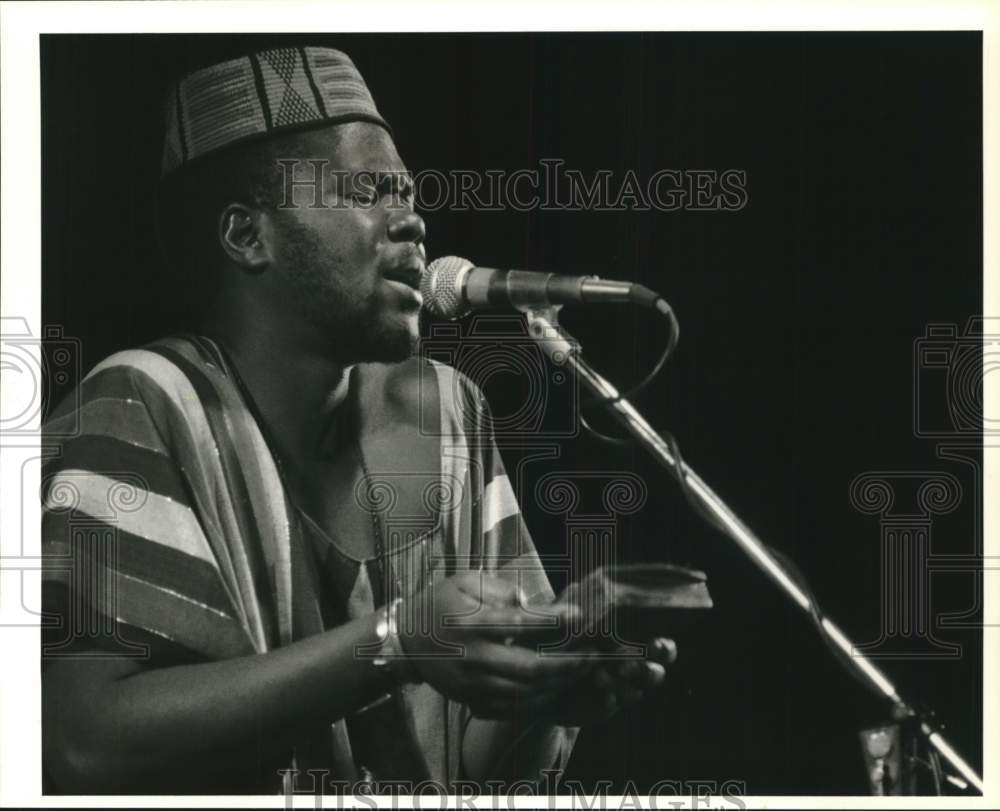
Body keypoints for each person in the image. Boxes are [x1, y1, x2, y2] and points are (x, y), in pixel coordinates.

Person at [40, 45, 677, 795]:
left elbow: (458, 770)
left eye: (407, 192)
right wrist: (396, 642)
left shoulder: (440, 412)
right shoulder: (141, 403)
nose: (412, 221)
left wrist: (542, 694)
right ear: (248, 235)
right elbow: (80, 742)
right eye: (368, 189)